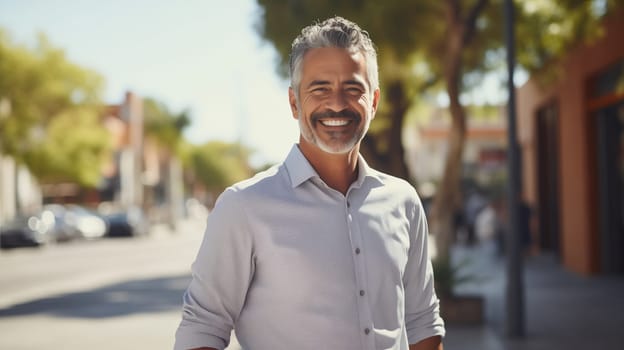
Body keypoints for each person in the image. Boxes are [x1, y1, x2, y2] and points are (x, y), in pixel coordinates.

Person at [174, 16, 445, 350]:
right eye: (320, 89)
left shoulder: (404, 201)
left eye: (353, 89)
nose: (336, 103)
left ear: (373, 102)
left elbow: (422, 321)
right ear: (293, 102)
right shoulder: (243, 207)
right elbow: (202, 328)